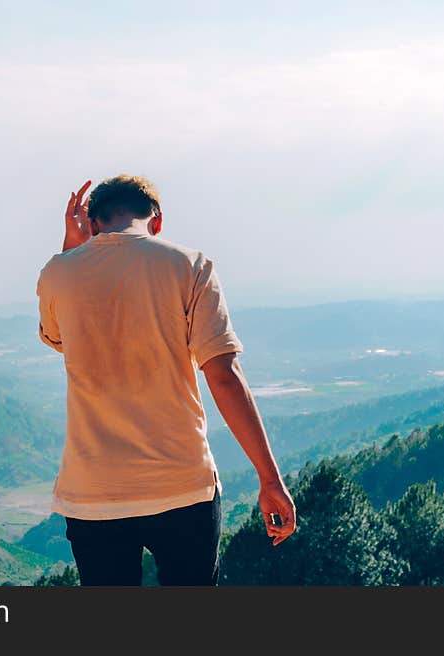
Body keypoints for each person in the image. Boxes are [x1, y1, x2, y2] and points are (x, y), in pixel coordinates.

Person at [36, 175, 296, 586]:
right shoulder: (191, 266)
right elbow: (224, 377)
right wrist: (269, 478)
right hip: (182, 486)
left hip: (93, 491)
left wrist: (75, 250)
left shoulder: (58, 271)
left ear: (94, 222)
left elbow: (61, 338)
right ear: (157, 222)